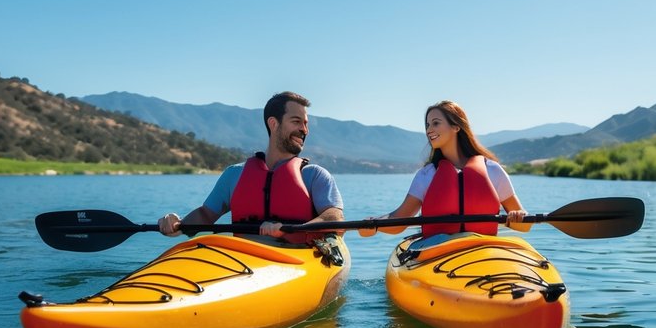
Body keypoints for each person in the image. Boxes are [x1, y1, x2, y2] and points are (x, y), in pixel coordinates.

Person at [159, 91, 344, 243]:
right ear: (273, 123)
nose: (304, 130)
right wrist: (179, 226)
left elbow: (335, 218)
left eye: (305, 124)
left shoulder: (315, 176)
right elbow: (206, 214)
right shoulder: (234, 174)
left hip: (298, 259)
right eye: (296, 121)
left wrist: (290, 230)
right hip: (244, 260)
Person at [362, 100, 528, 237]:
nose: (429, 130)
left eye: (436, 123)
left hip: (482, 249)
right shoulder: (427, 175)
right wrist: (374, 223)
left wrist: (518, 216)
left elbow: (524, 226)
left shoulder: (492, 170)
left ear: (456, 127)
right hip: (437, 251)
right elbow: (399, 221)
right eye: (427, 125)